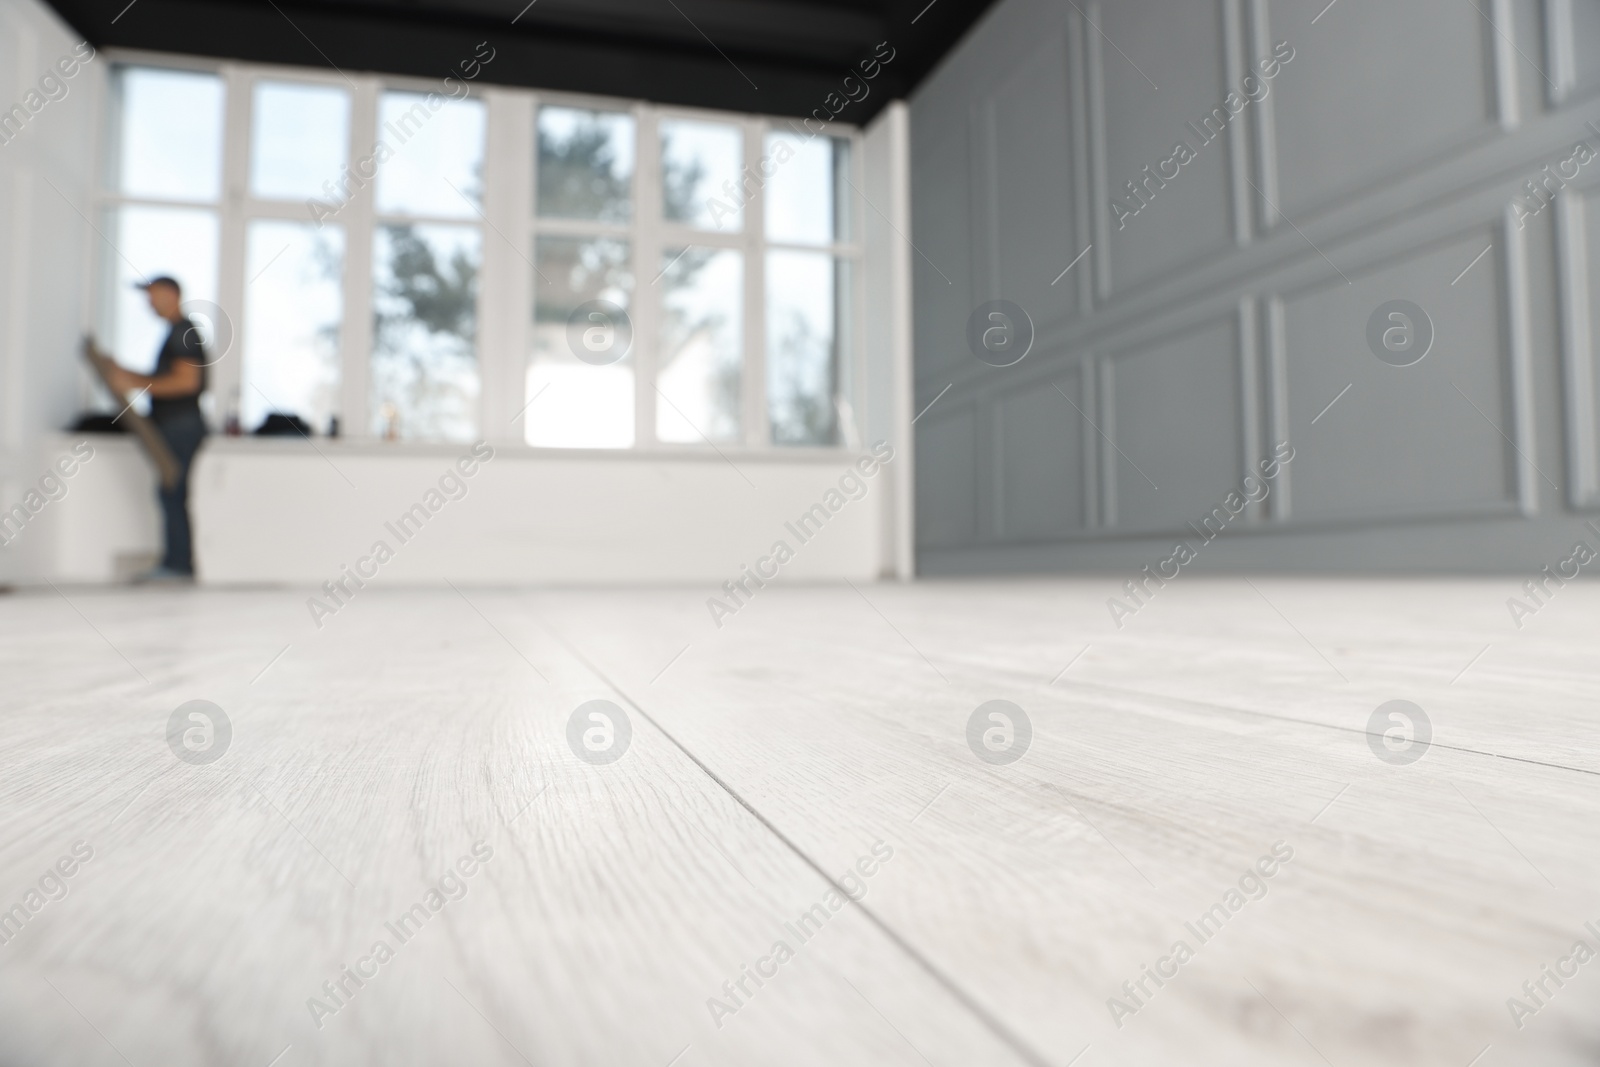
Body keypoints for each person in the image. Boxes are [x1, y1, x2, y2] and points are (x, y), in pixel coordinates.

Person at [105, 276, 209, 581]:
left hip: (182, 427)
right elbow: (165, 377)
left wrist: (133, 382)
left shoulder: (183, 332)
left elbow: (187, 382)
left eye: (152, 296)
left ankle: (178, 567)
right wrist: (124, 373)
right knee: (170, 493)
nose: (148, 303)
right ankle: (177, 564)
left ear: (171, 294)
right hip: (175, 426)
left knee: (172, 493)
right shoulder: (176, 333)